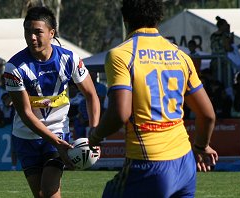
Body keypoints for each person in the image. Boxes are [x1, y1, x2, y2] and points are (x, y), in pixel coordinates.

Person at [89, 1, 218, 197]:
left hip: (149, 162)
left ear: (125, 19)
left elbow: (120, 114)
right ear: (159, 18)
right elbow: (208, 115)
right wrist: (201, 146)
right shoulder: (181, 55)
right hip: (185, 164)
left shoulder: (121, 55)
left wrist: (95, 136)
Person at [4, 6, 100, 198]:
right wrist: (58, 143)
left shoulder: (70, 59)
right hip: (25, 136)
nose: (31, 37)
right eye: (27, 32)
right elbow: (26, 113)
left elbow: (91, 95)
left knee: (49, 190)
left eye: (38, 32)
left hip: (58, 131)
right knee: (40, 195)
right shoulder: (14, 67)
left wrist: (94, 134)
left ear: (51, 33)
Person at [210, 16, 233, 88]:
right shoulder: (224, 35)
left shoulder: (213, 35)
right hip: (224, 61)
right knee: (227, 81)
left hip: (214, 61)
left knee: (217, 81)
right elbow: (228, 47)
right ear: (222, 26)